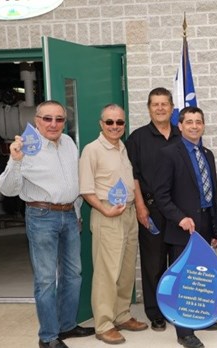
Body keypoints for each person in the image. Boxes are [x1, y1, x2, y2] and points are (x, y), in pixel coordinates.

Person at [0, 100, 94, 348]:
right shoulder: (26, 148)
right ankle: (48, 337)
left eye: (59, 119)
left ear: (65, 122)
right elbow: (7, 190)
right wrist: (15, 160)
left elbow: (73, 181)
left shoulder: (69, 144)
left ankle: (67, 326)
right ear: (37, 120)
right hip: (42, 217)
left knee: (73, 275)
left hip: (70, 215)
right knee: (46, 280)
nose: (53, 124)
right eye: (47, 118)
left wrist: (77, 213)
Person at [154, 106, 217, 348]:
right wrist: (179, 218)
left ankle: (200, 318)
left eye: (198, 122)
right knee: (184, 279)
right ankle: (184, 332)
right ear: (180, 126)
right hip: (183, 226)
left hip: (204, 223)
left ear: (203, 125)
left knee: (201, 276)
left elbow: (211, 194)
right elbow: (161, 195)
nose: (194, 126)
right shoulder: (168, 153)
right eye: (189, 122)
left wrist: (216, 229)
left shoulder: (207, 153)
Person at [79, 104, 148, 345]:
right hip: (107, 215)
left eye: (120, 122)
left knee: (126, 269)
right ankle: (104, 324)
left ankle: (121, 315)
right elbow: (87, 190)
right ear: (101, 124)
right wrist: (105, 210)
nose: (115, 127)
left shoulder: (123, 149)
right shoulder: (92, 150)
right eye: (110, 122)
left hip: (128, 213)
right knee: (107, 272)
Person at [125, 87, 182, 332]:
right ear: (149, 108)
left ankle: (178, 309)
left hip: (180, 211)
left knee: (179, 262)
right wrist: (139, 205)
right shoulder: (137, 138)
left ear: (171, 107)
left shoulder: (183, 134)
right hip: (151, 209)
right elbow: (132, 175)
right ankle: (156, 312)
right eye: (155, 104)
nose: (160, 108)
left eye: (164, 104)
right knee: (153, 263)